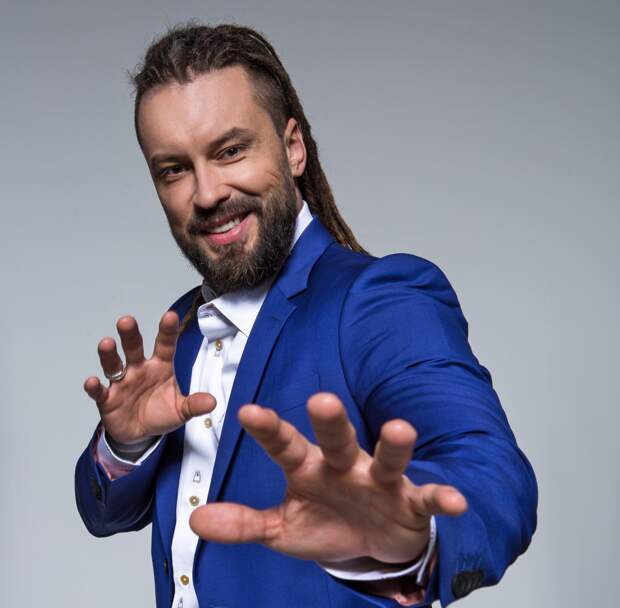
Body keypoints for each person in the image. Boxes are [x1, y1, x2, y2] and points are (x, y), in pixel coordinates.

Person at [74, 23, 537, 608]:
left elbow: (493, 476)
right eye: (174, 169)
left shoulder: (378, 298)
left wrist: (412, 537)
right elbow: (105, 513)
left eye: (230, 151)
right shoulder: (182, 330)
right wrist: (125, 445)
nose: (207, 192)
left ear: (293, 147)